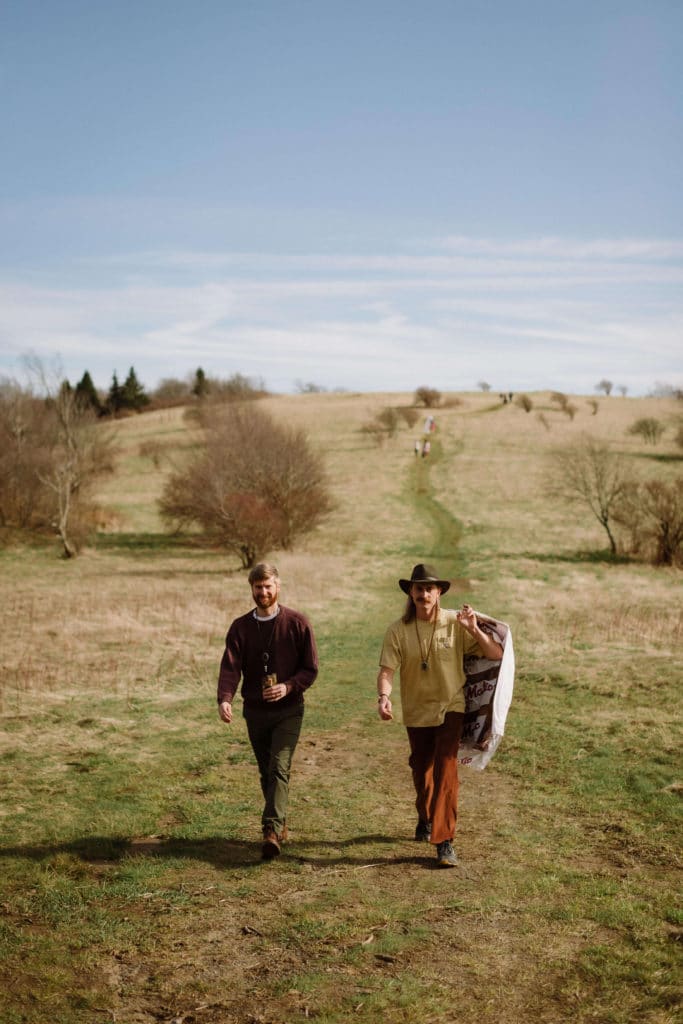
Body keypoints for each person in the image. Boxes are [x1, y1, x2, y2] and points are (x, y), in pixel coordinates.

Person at [376, 564, 503, 868]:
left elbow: (495, 654)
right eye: (418, 588)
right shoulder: (398, 630)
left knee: (446, 769)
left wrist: (473, 628)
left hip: (451, 706)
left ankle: (444, 840)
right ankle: (426, 815)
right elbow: (387, 671)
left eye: (429, 589)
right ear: (411, 592)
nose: (424, 594)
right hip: (417, 711)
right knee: (422, 772)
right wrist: (384, 697)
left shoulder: (454, 623)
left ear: (439, 592)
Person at [217, 563, 318, 860]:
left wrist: (288, 687)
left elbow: (310, 669)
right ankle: (279, 819)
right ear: (252, 589)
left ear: (278, 586)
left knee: (278, 767)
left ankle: (270, 831)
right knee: (266, 772)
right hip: (255, 712)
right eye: (258, 587)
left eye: (268, 586)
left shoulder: (298, 623)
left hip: (289, 710)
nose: (263, 592)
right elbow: (230, 667)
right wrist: (225, 698)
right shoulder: (240, 627)